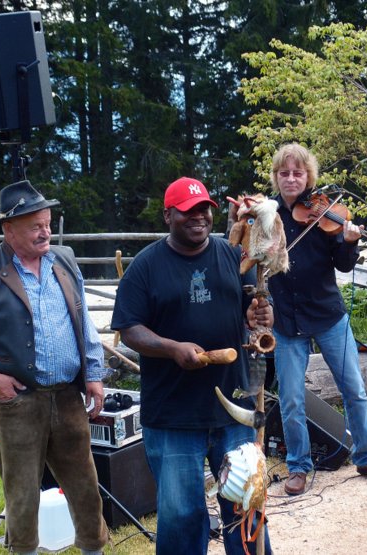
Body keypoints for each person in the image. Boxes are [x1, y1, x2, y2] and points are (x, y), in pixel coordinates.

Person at [110, 177, 272, 555]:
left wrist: (262, 315)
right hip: (173, 414)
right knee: (182, 514)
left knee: (246, 503)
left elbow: (259, 312)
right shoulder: (146, 267)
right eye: (188, 211)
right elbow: (129, 329)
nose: (199, 217)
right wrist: (171, 348)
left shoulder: (234, 255)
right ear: (168, 215)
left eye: (204, 210)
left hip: (235, 408)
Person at [0, 180, 109, 555]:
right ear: (9, 229)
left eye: (48, 223)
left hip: (69, 396)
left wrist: (94, 374)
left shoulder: (64, 260)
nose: (45, 232)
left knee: (85, 486)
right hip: (17, 402)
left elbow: (84, 322)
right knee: (22, 496)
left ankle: (94, 550)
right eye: (35, 225)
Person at [266, 143, 367, 496]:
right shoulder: (267, 215)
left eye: (298, 172)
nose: (292, 178)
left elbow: (342, 264)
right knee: (291, 397)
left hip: (327, 315)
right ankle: (298, 466)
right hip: (287, 320)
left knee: (353, 390)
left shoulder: (324, 212)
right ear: (276, 177)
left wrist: (350, 242)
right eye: (285, 172)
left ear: (308, 176)